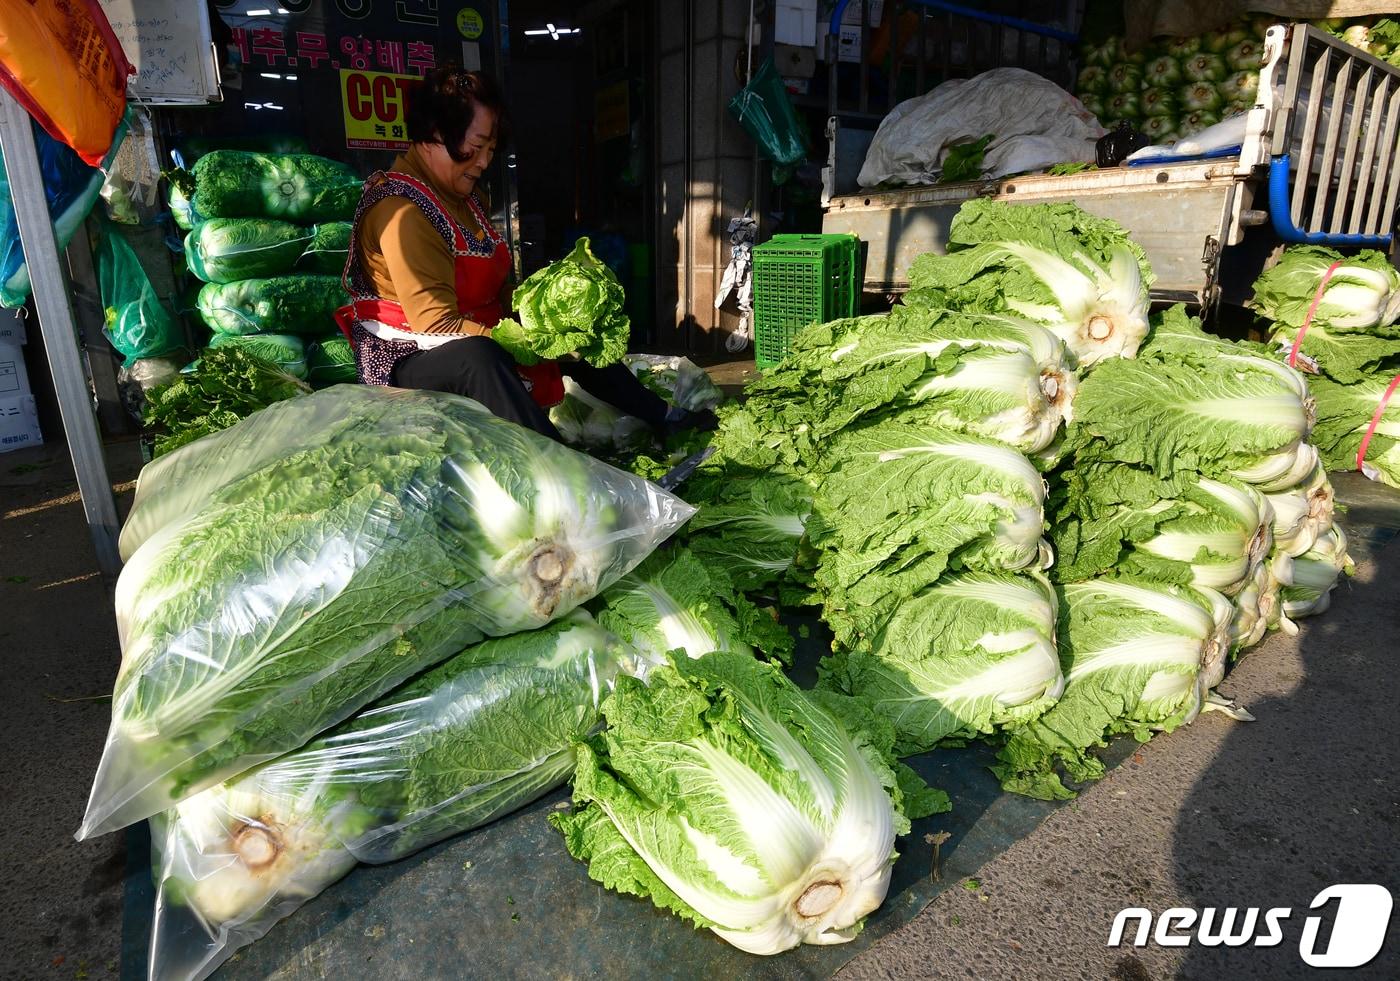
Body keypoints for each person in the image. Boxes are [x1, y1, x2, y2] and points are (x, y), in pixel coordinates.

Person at [338, 66, 710, 441]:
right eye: (475, 146)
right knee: (480, 358)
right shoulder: (401, 211)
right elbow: (435, 324)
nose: (483, 162)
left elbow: (498, 288)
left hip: (475, 332)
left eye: (490, 150)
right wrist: (525, 341)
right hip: (410, 357)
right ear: (435, 133)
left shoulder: (466, 199)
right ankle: (556, 468)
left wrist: (545, 317)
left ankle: (664, 415)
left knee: (566, 330)